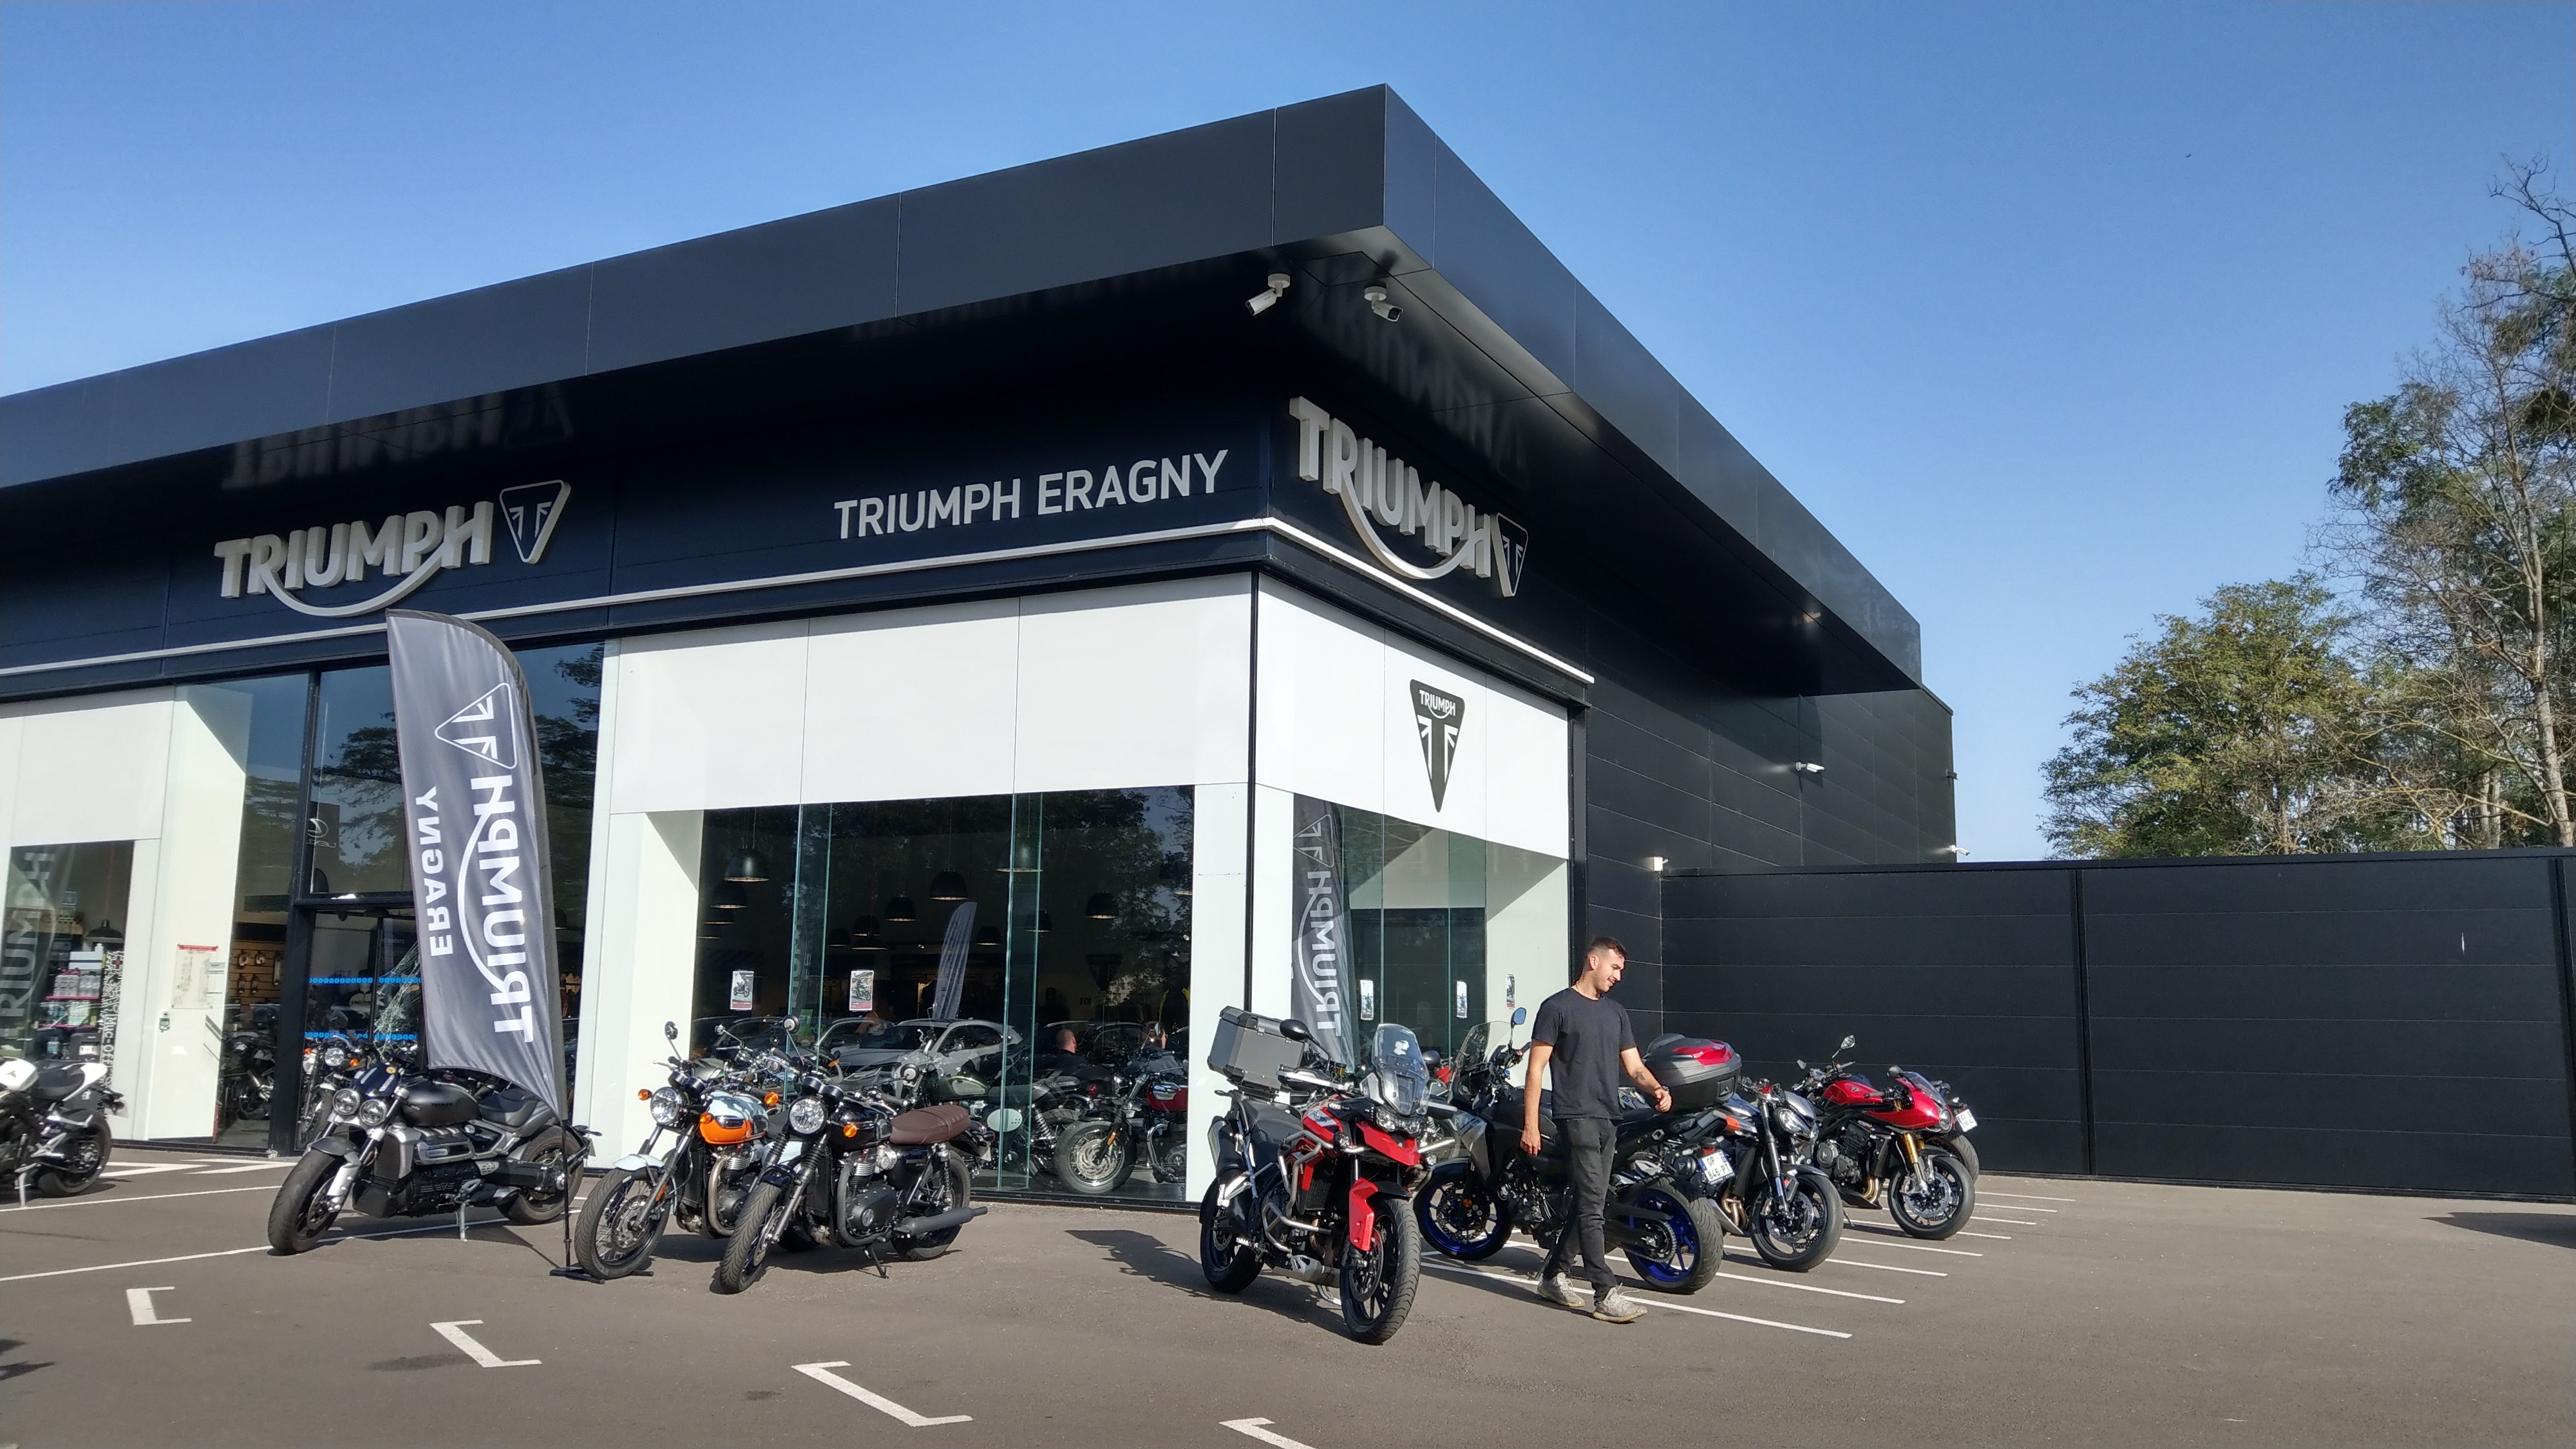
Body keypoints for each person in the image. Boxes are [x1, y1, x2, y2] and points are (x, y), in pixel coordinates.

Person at [1522, 936, 1669, 1323]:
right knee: (1591, 1207)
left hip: (1609, 1118)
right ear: (1593, 961)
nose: (1618, 976)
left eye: (1621, 970)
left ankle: (1553, 1276)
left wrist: (1656, 1089)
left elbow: (1634, 1067)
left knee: (1592, 1203)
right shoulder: (1556, 1008)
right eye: (1615, 968)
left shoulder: (1616, 1013)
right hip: (1576, 1118)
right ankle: (1604, 1293)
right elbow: (1535, 1069)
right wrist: (1531, 1124)